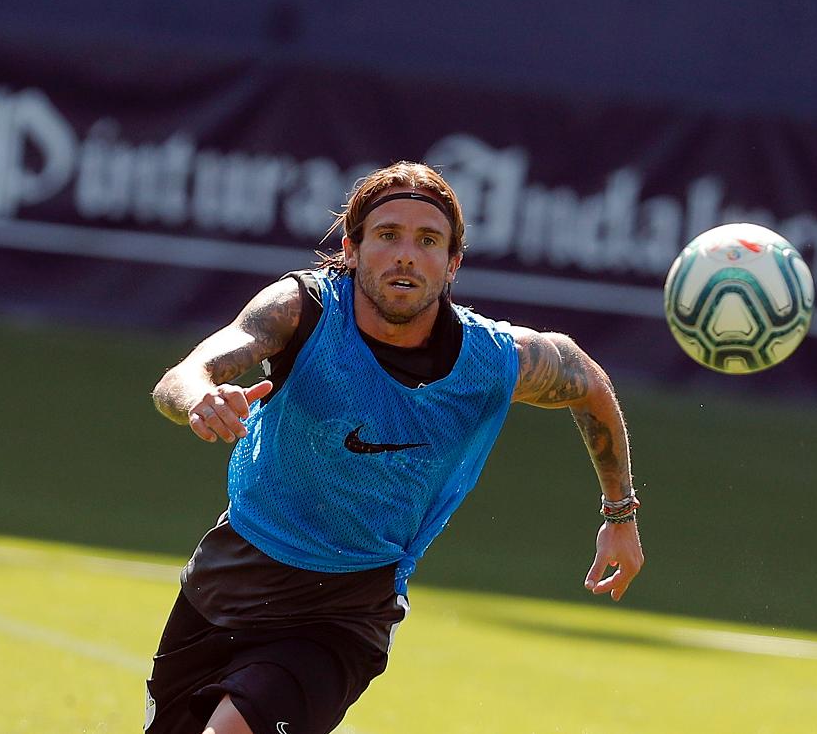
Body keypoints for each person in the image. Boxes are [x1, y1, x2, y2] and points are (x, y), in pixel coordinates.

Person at [145, 161, 644, 734]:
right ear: (352, 250)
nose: (407, 254)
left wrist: (620, 514)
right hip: (230, 577)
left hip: (344, 609)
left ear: (452, 263)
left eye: (428, 241)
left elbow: (588, 383)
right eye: (388, 236)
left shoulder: (490, 360)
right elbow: (183, 376)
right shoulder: (301, 312)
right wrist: (201, 399)